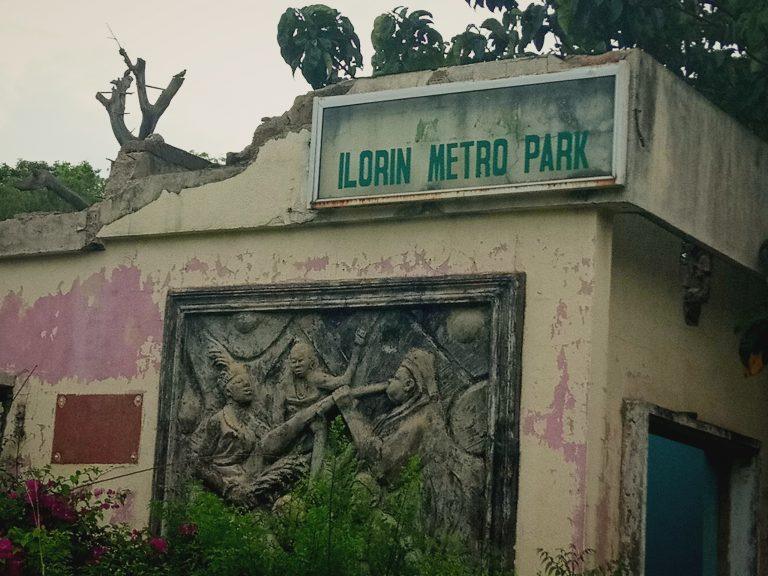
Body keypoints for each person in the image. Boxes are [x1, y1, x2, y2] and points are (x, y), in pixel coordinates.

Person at [333, 348, 486, 544]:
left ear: (409, 385)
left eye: (396, 378)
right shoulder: (405, 413)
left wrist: (348, 411)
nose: (389, 381)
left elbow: (381, 465)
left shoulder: (421, 421)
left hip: (416, 521)